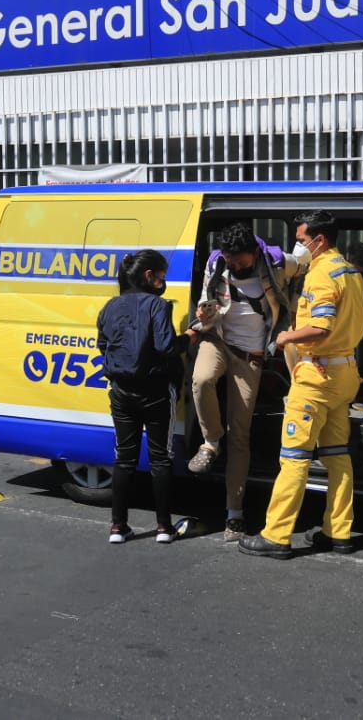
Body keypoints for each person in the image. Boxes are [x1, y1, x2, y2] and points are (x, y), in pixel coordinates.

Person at [239, 210, 363, 560]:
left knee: (294, 458)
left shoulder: (322, 274)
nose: (298, 244)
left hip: (316, 378)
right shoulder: (350, 270)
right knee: (338, 455)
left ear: (319, 240)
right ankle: (338, 532)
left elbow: (320, 328)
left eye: (300, 238)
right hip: (344, 374)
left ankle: (276, 535)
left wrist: (285, 337)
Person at [185, 221, 302, 541]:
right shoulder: (216, 263)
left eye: (240, 261)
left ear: (255, 252)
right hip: (218, 341)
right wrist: (200, 320)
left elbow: (305, 264)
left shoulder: (278, 263)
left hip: (251, 355)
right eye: (230, 260)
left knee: (241, 435)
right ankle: (210, 443)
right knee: (201, 379)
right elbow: (206, 302)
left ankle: (234, 514)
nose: (234, 265)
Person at [96, 249, 191, 544]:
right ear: (149, 276)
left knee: (124, 459)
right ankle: (164, 527)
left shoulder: (110, 306)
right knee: (160, 459)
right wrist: (191, 336)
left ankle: (117, 527)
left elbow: (103, 344)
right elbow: (166, 347)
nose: (165, 281)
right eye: (162, 275)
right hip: (155, 393)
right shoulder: (157, 305)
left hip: (121, 392)